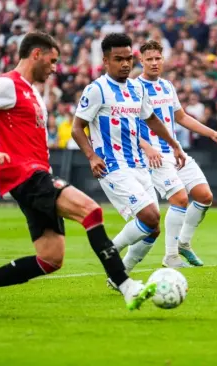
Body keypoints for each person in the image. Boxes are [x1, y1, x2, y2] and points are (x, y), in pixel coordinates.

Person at [0, 31, 157, 316]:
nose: (54, 68)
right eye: (51, 61)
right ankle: (126, 285)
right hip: (26, 174)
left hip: (34, 174)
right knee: (91, 211)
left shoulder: (32, 91)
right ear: (35, 54)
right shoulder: (6, 84)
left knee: (50, 259)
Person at [71, 34, 186, 277]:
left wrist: (173, 143)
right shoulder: (96, 90)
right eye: (118, 59)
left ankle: (119, 275)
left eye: (128, 59)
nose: (125, 64)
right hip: (112, 165)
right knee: (150, 216)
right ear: (105, 61)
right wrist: (92, 156)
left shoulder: (136, 88)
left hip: (139, 164)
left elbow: (152, 119)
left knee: (153, 228)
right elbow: (76, 127)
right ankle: (109, 252)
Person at [136, 40, 217, 268]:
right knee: (180, 198)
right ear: (141, 61)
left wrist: (212, 133)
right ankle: (171, 256)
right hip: (152, 155)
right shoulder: (134, 88)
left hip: (175, 152)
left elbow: (181, 117)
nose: (154, 63)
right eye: (149, 59)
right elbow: (126, 126)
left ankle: (183, 243)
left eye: (157, 58)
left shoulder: (166, 86)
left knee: (205, 196)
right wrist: (147, 147)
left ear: (163, 60)